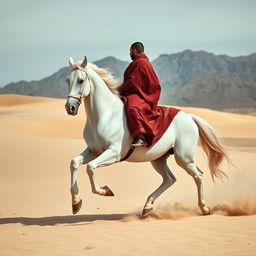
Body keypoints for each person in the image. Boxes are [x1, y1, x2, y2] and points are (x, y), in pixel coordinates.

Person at [119, 42, 180, 147]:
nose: (129, 53)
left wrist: (120, 88)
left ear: (134, 51)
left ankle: (140, 137)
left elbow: (134, 82)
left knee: (132, 108)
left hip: (141, 95)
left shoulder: (141, 63)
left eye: (130, 51)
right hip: (134, 92)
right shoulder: (139, 62)